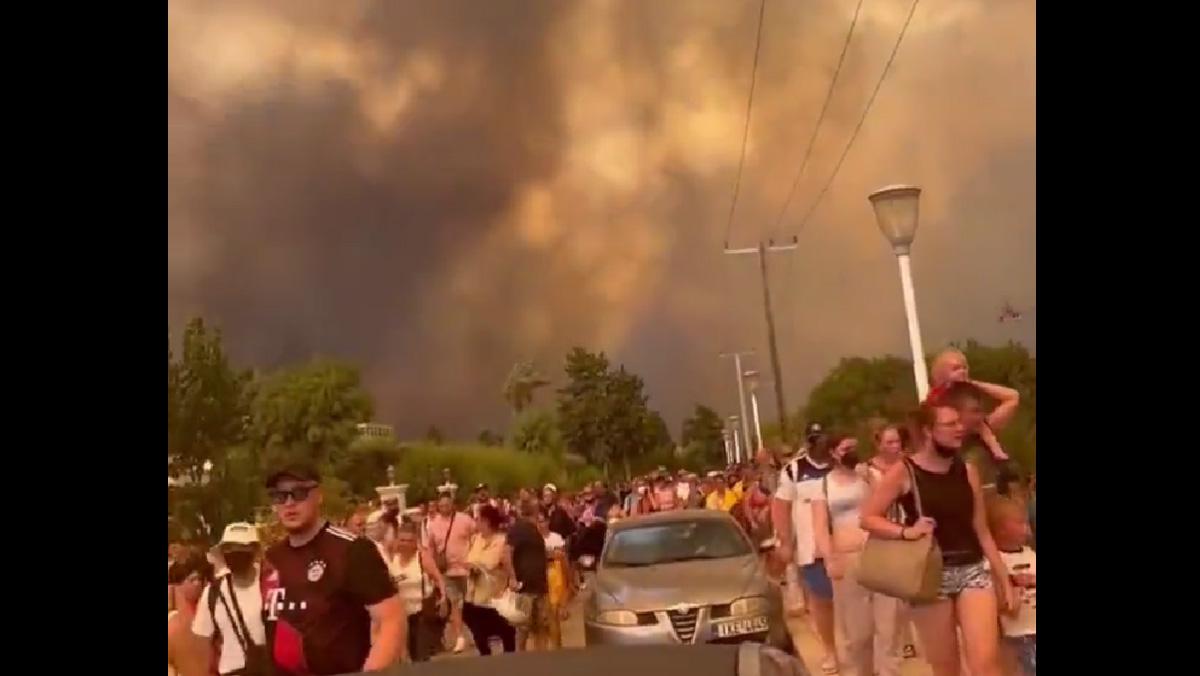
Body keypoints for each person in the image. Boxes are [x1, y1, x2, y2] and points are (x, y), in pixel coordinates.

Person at [859, 401, 1015, 676]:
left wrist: (1003, 578)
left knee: (986, 663)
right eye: (950, 424)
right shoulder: (905, 471)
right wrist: (906, 531)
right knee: (946, 667)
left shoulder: (967, 471)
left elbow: (981, 529)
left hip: (972, 570)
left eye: (959, 423)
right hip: (931, 576)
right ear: (928, 431)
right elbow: (868, 517)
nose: (959, 429)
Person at [262, 462, 403, 675]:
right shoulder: (271, 558)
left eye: (299, 493)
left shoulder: (352, 549)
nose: (289, 503)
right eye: (280, 496)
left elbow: (391, 619)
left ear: (318, 495)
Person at [812, 435, 901, 676]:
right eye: (846, 448)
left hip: (878, 553)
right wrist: (829, 559)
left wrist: (870, 478)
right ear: (833, 452)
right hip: (847, 558)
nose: (852, 452)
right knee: (857, 631)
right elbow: (820, 526)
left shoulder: (870, 477)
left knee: (888, 625)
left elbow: (887, 505)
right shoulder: (823, 487)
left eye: (855, 447)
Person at [192, 522, 270, 676]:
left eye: (242, 546)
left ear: (254, 550)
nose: (236, 552)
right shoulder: (213, 592)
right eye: (230, 548)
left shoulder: (271, 584)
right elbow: (202, 642)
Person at [987, 496, 1036, 676]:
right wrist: (1011, 584)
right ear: (1000, 529)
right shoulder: (995, 561)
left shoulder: (1030, 554)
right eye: (1019, 522)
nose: (1026, 527)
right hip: (1017, 634)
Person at [423, 489, 476, 654]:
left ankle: (477, 631)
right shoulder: (433, 524)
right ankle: (459, 636)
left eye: (447, 505)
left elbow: (475, 538)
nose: (444, 508)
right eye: (441, 505)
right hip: (447, 571)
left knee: (472, 602)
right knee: (454, 604)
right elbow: (430, 547)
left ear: (452, 505)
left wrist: (474, 559)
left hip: (467, 569)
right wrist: (432, 570)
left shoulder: (465, 520)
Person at [389, 521, 447, 663]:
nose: (406, 544)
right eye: (402, 540)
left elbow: (437, 577)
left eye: (410, 540)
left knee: (420, 655)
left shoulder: (421, 557)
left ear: (415, 541)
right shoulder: (392, 559)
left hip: (421, 613)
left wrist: (443, 596)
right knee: (405, 655)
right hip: (401, 615)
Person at [462, 505, 516, 655]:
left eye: (478, 519)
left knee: (506, 635)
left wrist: (512, 580)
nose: (475, 522)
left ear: (486, 521)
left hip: (495, 599)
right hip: (475, 598)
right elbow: (468, 561)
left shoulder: (502, 541)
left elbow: (507, 565)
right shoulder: (475, 539)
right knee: (480, 638)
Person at [507, 500, 552, 650]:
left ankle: (540, 659)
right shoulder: (518, 528)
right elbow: (507, 552)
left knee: (541, 625)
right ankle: (520, 660)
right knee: (522, 627)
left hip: (539, 584)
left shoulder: (534, 530)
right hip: (525, 584)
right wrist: (512, 577)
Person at [169, 552, 214, 676]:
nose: (197, 584)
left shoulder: (211, 609)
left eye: (199, 579)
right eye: (192, 579)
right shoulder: (174, 619)